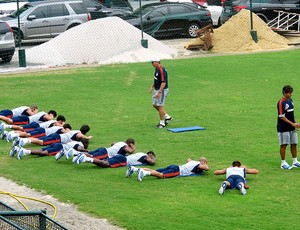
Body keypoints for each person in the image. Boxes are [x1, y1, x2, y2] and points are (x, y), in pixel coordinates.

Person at [127, 157, 209, 182]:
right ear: (203, 162)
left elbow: (188, 159)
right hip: (177, 171)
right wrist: (204, 164)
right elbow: (207, 168)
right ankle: (144, 173)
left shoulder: (193, 161)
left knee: (157, 171)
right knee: (162, 176)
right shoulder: (199, 164)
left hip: (174, 166)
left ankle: (135, 169)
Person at [277, 85, 300, 169]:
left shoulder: (291, 100)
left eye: (291, 93)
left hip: (292, 127)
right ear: (284, 93)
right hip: (283, 128)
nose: (291, 94)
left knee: (294, 143)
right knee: (284, 145)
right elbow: (281, 116)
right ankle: (283, 163)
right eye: (289, 93)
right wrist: (292, 124)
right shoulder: (281, 102)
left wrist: (295, 123)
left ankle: (295, 161)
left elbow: (291, 113)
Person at [16, 124, 92, 147]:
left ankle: (19, 139)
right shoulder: (79, 133)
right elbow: (80, 135)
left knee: (39, 140)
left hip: (55, 136)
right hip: (57, 138)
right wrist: (87, 137)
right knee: (41, 142)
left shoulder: (74, 130)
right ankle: (24, 140)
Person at [149, 57, 172, 128]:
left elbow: (163, 82)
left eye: (152, 62)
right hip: (157, 89)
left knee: (160, 106)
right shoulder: (157, 69)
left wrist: (159, 92)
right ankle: (167, 117)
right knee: (154, 104)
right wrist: (152, 86)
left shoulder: (162, 70)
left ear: (156, 62)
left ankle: (162, 123)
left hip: (162, 90)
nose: (151, 64)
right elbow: (156, 80)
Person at [11, 139, 89, 160]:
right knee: (43, 153)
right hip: (59, 148)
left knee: (41, 150)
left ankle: (18, 148)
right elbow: (79, 148)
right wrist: (87, 151)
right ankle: (24, 151)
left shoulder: (75, 141)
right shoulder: (80, 144)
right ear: (85, 143)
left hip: (58, 144)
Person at [68, 138, 136, 160]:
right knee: (92, 157)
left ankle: (74, 153)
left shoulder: (120, 142)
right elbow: (130, 151)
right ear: (130, 144)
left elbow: (112, 143)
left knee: (89, 153)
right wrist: (133, 148)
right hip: (105, 154)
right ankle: (75, 153)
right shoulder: (126, 146)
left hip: (103, 149)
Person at [72, 151, 156, 167]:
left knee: (103, 163)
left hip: (121, 157)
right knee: (105, 164)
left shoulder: (140, 153)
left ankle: (84, 158)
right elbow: (152, 162)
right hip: (123, 160)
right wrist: (153, 158)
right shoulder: (145, 156)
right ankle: (86, 159)